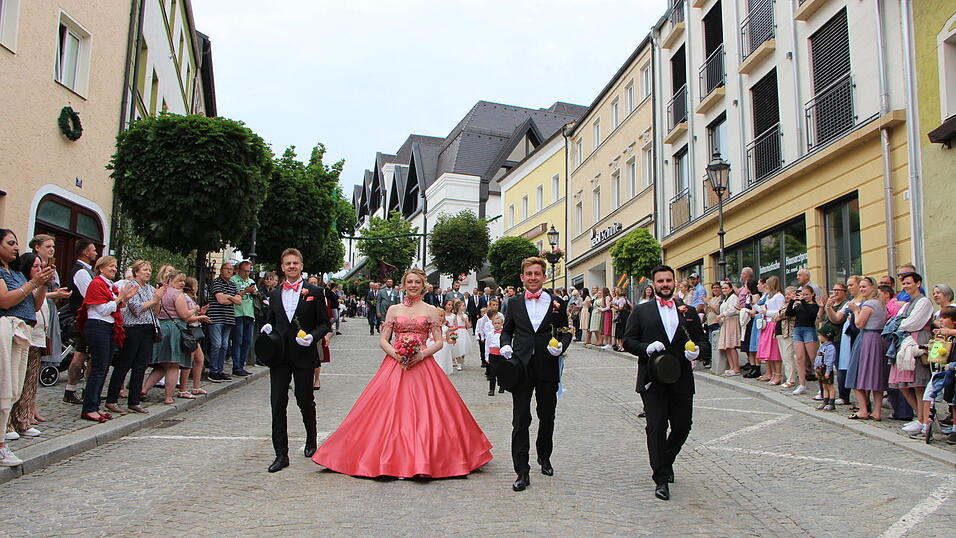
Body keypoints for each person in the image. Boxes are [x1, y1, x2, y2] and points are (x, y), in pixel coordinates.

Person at [312, 267, 491, 477]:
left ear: (423, 285)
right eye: (410, 282)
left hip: (422, 363)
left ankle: (427, 460)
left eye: (417, 282)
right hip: (395, 363)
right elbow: (383, 339)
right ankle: (381, 459)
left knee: (430, 412)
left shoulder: (431, 310)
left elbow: (440, 341)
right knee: (382, 412)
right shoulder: (394, 310)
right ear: (404, 284)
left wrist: (422, 355)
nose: (413, 285)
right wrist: (396, 354)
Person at [623, 265, 709, 501]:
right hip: (652, 379)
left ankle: (666, 460)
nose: (664, 284)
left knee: (682, 426)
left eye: (668, 280)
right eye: (660, 281)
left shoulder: (688, 311)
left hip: (681, 377)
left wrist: (699, 351)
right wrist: (645, 348)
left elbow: (702, 339)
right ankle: (660, 478)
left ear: (674, 282)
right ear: (653, 284)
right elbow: (628, 341)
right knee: (656, 427)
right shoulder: (641, 311)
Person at [499, 257, 573, 492]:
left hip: (547, 366)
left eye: (537, 273)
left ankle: (544, 455)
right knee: (520, 419)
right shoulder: (513, 303)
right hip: (520, 367)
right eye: (528, 274)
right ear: (522, 277)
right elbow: (507, 330)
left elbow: (565, 331)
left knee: (547, 415)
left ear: (544, 276)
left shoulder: (557, 303)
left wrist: (562, 345)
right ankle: (522, 470)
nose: (533, 277)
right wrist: (505, 346)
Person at [260, 248, 331, 473]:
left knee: (304, 399)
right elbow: (271, 319)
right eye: (287, 264)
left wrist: (312, 337)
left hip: (304, 353)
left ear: (301, 265)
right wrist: (267, 327)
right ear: (282, 267)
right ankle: (281, 454)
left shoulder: (315, 291)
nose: (291, 266)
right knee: (277, 403)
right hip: (279, 356)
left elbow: (324, 324)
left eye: (295, 263)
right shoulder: (274, 293)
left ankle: (311, 438)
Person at [0, 229, 54, 465]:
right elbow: (4, 301)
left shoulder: (17, 273)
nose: (15, 247)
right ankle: (1, 444)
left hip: (24, 330)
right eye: (10, 243)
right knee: (4, 385)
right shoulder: (2, 273)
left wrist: (42, 284)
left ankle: (3, 437)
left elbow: (33, 305)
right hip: (8, 328)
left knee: (14, 388)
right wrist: (33, 281)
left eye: (16, 243)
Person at [78, 256, 138, 422]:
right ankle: (89, 407)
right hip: (98, 325)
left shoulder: (108, 285)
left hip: (108, 326)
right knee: (99, 367)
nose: (114, 269)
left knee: (103, 367)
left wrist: (124, 298)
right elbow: (103, 309)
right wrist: (120, 298)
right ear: (101, 267)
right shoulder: (97, 284)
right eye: (111, 266)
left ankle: (95, 405)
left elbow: (116, 305)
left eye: (115, 266)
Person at [105, 260, 166, 414]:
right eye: (145, 269)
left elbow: (156, 312)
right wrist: (154, 300)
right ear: (137, 271)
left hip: (147, 328)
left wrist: (157, 299)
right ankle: (112, 399)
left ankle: (134, 400)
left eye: (150, 269)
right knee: (124, 364)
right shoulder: (131, 287)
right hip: (133, 328)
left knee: (141, 365)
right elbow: (136, 309)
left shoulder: (151, 288)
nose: (148, 272)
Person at [5, 252, 51, 440]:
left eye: (40, 266)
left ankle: (23, 419)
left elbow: (37, 305)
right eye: (35, 267)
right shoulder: (20, 282)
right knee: (13, 381)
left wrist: (43, 285)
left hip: (35, 334)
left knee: (29, 381)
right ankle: (7, 423)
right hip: (19, 333)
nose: (39, 270)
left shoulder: (33, 285)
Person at [29, 235, 70, 419]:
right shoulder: (30, 264)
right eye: (48, 246)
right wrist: (54, 293)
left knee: (40, 358)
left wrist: (58, 294)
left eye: (53, 246)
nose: (52, 249)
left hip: (50, 310)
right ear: (37, 247)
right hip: (36, 309)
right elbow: (30, 291)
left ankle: (31, 404)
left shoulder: (52, 268)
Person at [892, 272, 934, 437]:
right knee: (903, 383)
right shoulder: (908, 303)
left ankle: (924, 420)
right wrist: (900, 323)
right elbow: (897, 319)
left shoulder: (923, 302)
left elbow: (912, 322)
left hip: (917, 339)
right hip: (906, 341)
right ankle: (919, 416)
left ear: (918, 283)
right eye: (904, 284)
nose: (906, 286)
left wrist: (900, 324)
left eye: (909, 283)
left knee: (918, 383)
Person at [845, 278, 888, 420]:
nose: (862, 289)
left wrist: (856, 310)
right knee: (876, 376)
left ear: (872, 287)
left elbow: (859, 324)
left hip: (867, 339)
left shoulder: (868, 304)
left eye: (864, 287)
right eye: (861, 287)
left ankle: (863, 409)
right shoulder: (881, 304)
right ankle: (877, 411)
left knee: (856, 373)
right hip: (878, 339)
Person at [62, 240, 98, 405]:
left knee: (88, 354)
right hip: (83, 318)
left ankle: (87, 390)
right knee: (81, 353)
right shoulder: (81, 272)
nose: (96, 252)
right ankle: (70, 390)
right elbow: (89, 296)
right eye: (93, 250)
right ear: (85, 252)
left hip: (89, 318)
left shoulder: (88, 271)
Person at [823, 278, 855, 404]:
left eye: (838, 290)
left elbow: (835, 319)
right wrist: (825, 307)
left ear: (844, 292)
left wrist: (829, 307)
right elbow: (822, 318)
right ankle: (826, 391)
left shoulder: (846, 304)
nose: (835, 292)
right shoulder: (832, 303)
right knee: (827, 366)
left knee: (840, 367)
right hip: (828, 338)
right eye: (834, 290)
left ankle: (844, 395)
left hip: (839, 338)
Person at [207, 263, 240, 382]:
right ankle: (213, 370)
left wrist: (229, 297)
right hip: (216, 317)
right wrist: (232, 298)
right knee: (217, 344)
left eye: (231, 269)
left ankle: (220, 370)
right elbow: (220, 300)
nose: (230, 271)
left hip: (228, 318)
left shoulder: (232, 284)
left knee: (225, 346)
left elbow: (239, 301)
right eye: (227, 269)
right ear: (221, 270)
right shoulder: (216, 282)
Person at [786, 285, 820, 395]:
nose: (804, 297)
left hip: (809, 330)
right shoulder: (799, 305)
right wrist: (792, 301)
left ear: (812, 294)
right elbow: (789, 313)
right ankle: (802, 384)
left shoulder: (814, 306)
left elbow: (811, 315)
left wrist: (803, 302)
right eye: (803, 294)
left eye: (807, 295)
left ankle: (821, 385)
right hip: (797, 330)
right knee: (800, 358)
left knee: (813, 358)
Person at [181, 277, 209, 397]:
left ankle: (196, 387)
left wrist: (200, 313)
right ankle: (183, 388)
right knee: (189, 360)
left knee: (199, 359)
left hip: (194, 330)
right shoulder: (186, 298)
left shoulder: (190, 299)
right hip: (190, 330)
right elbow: (187, 317)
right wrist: (200, 317)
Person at [230, 260, 257, 378]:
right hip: (237, 313)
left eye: (248, 271)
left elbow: (256, 295)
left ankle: (242, 365)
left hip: (249, 313)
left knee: (247, 341)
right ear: (239, 270)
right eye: (245, 271)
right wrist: (246, 291)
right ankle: (236, 366)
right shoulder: (233, 280)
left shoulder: (251, 281)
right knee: (238, 341)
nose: (247, 273)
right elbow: (231, 296)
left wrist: (254, 292)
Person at [756, 276, 784, 385]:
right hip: (766, 323)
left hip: (773, 323)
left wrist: (766, 313)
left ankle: (778, 374)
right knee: (769, 351)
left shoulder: (779, 296)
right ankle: (772, 373)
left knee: (774, 350)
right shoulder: (769, 296)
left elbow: (780, 311)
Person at [717, 281, 741, 376]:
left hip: (731, 320)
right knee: (727, 346)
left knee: (732, 346)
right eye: (723, 288)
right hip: (725, 322)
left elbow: (733, 309)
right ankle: (731, 367)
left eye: (726, 288)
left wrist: (722, 315)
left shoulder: (734, 298)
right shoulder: (725, 299)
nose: (724, 290)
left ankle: (736, 367)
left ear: (731, 289)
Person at [776, 286, 798, 387]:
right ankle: (788, 377)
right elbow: (777, 315)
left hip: (789, 332)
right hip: (781, 332)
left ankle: (791, 379)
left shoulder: (796, 304)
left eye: (789, 294)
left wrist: (780, 316)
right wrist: (779, 315)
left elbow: (786, 314)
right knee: (784, 357)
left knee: (788, 356)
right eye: (786, 294)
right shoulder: (784, 304)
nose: (786, 296)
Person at [815, 326, 838, 411]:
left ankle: (831, 402)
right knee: (824, 385)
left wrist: (828, 371)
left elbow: (830, 360)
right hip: (820, 368)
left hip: (826, 368)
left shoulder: (830, 348)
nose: (819, 336)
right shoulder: (822, 346)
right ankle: (825, 401)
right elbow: (818, 357)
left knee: (830, 386)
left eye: (820, 335)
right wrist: (816, 368)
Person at [484, 314, 506, 395]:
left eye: (498, 323)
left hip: (501, 354)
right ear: (493, 324)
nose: (497, 325)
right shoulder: (490, 334)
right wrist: (486, 356)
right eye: (495, 323)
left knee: (502, 371)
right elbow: (487, 345)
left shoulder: (504, 334)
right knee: (492, 373)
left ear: (502, 324)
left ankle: (502, 386)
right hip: (493, 354)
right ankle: (491, 389)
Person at [613, 288, 631, 352]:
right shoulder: (622, 298)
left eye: (616, 291)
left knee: (622, 330)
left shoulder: (622, 299)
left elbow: (620, 308)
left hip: (623, 315)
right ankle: (620, 346)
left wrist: (612, 306)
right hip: (621, 315)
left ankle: (623, 346)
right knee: (619, 331)